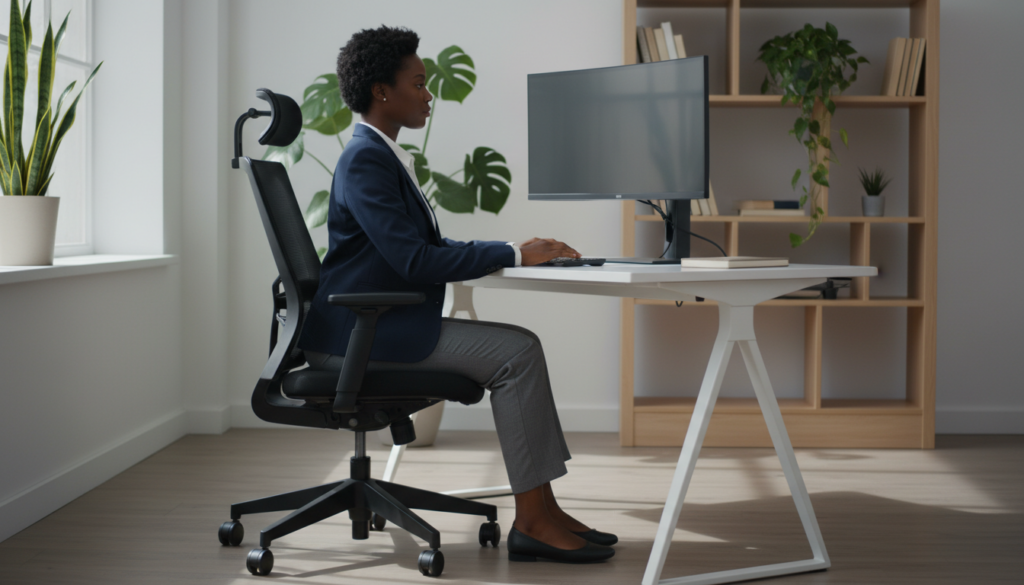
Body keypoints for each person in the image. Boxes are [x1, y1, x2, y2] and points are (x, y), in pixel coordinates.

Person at [297, 25, 615, 564]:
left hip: (376, 327)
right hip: (360, 336)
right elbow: (414, 261)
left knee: (520, 347)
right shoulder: (366, 160)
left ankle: (545, 508)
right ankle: (533, 522)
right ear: (381, 91)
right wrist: (513, 254)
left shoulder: (380, 155)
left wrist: (512, 249)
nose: (429, 95)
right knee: (517, 352)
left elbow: (425, 248)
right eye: (418, 83)